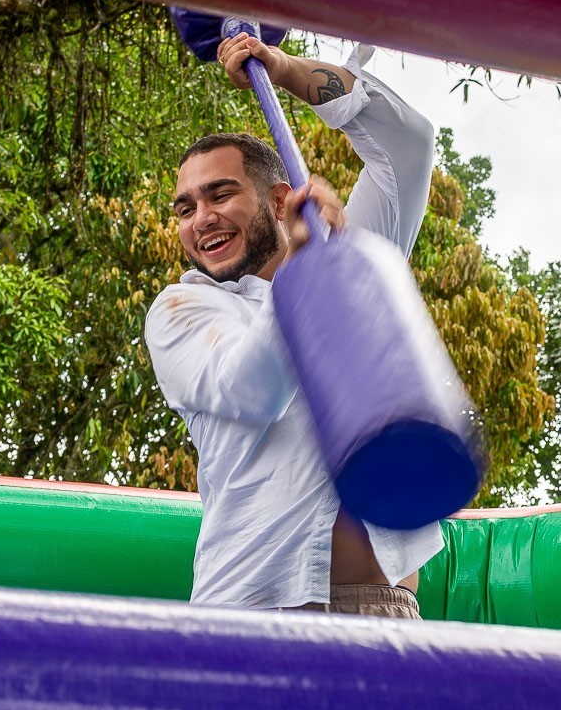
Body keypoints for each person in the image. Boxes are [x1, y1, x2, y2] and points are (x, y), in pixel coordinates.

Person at [145, 34, 442, 618]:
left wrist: (283, 69)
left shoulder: (353, 260)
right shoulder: (182, 310)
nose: (200, 219)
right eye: (184, 208)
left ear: (280, 200)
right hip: (252, 611)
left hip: (385, 613)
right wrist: (304, 278)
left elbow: (408, 145)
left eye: (220, 194)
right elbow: (251, 389)